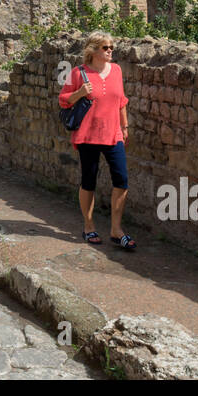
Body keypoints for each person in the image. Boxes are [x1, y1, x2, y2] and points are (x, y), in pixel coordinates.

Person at [59, 31, 134, 251]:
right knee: (89, 180)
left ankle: (116, 230)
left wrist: (124, 126)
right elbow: (63, 100)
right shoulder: (77, 73)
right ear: (93, 50)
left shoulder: (117, 70)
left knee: (121, 179)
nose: (110, 51)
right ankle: (89, 226)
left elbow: (121, 100)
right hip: (88, 134)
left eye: (111, 47)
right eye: (105, 47)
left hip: (113, 134)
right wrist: (80, 92)